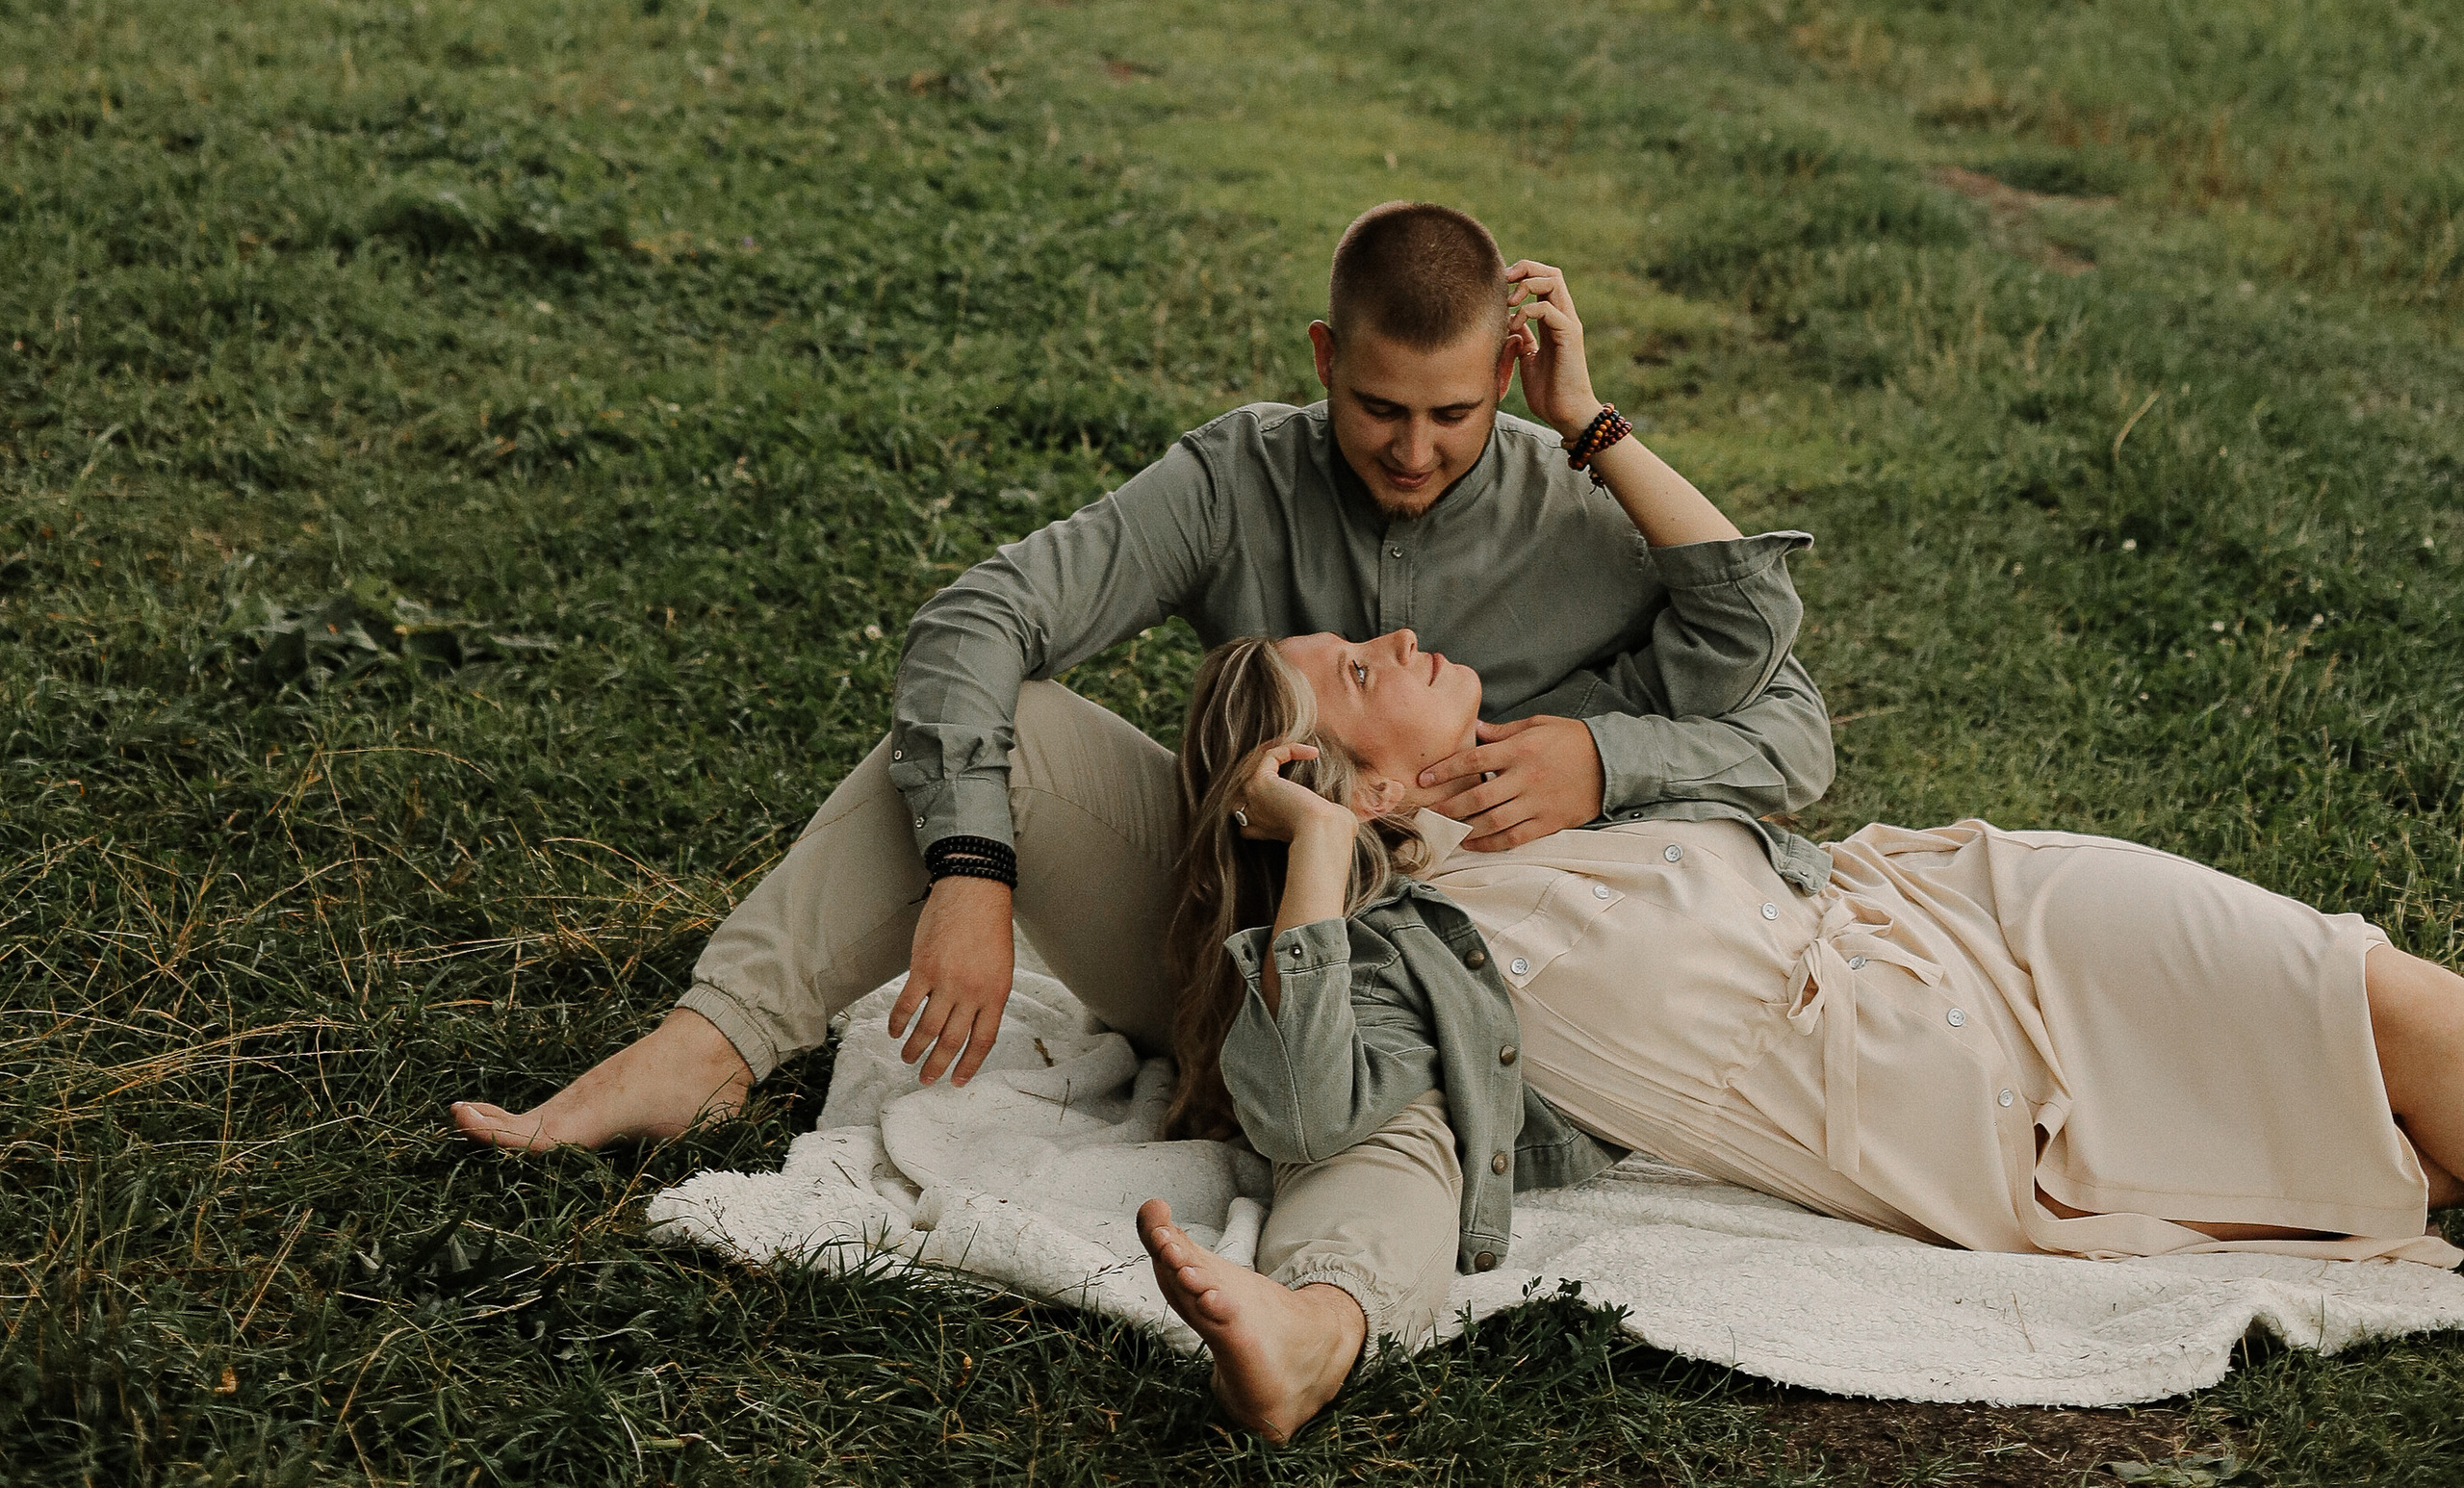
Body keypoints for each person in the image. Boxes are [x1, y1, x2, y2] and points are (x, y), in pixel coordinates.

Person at [452, 202, 1834, 1433]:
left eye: (1456, 415)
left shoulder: (1569, 509)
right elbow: (981, 620)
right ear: (1321, 360)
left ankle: (1313, 1318)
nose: (1415, 450)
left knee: (1385, 1082)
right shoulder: (1241, 477)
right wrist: (974, 871)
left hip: (1441, 998)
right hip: (1227, 950)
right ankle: (708, 1045)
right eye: (1378, 408)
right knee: (1007, 735)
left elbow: (1789, 722)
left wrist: (1600, 757)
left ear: (1505, 385)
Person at [1134, 267, 2464, 1440]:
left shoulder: (1562, 736)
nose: (1401, 630)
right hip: (1957, 1097)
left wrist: (1588, 423)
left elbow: (1752, 620)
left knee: (2363, 991)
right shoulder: (1410, 956)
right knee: (2395, 1132)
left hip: (1981, 912)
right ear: (1338, 781)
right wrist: (1313, 855)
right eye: (1363, 665)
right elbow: (1313, 1114)